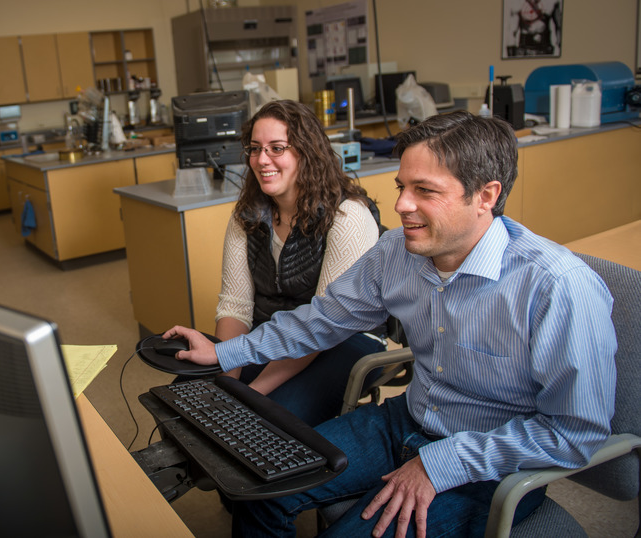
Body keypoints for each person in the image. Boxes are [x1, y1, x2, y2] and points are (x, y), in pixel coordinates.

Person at [164, 110, 617, 537]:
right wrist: (224, 352)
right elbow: (321, 320)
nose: (400, 205)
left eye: (425, 190)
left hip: (490, 464)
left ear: (486, 195)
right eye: (402, 186)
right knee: (256, 485)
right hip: (408, 420)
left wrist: (442, 463)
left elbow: (576, 431)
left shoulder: (557, 288)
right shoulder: (397, 250)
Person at [207, 99, 384, 427]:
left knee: (263, 423)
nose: (262, 160)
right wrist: (226, 381)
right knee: (195, 396)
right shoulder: (247, 216)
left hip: (342, 339)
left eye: (277, 148)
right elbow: (235, 308)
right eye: (255, 148)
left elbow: (323, 325)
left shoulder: (347, 217)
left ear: (307, 152)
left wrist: (252, 393)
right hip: (274, 332)